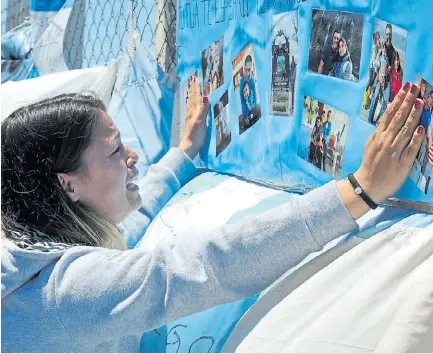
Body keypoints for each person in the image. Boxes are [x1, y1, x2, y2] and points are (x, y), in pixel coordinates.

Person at [1, 79, 426, 352]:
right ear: (69, 184)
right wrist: (359, 189)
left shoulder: (32, 247)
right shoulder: (62, 291)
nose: (132, 157)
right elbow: (206, 266)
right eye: (114, 151)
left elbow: (137, 210)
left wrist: (184, 152)